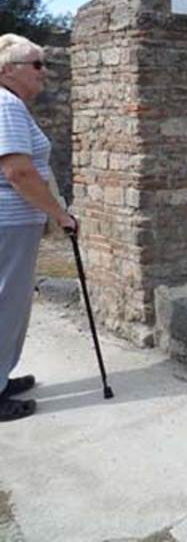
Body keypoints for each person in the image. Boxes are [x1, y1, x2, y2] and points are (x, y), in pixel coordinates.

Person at [0, 33, 77, 422]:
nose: (43, 72)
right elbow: (18, 170)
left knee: (12, 302)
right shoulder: (6, 104)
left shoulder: (9, 103)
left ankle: (1, 376)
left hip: (12, 223)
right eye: (36, 64)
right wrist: (58, 214)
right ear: (8, 70)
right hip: (8, 222)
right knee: (6, 302)